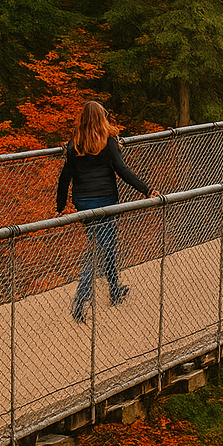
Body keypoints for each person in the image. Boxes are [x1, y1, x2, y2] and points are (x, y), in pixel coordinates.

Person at [56, 101, 156, 323]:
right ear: (102, 118)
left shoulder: (75, 145)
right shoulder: (108, 143)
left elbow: (65, 178)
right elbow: (122, 170)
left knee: (105, 245)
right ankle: (82, 298)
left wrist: (61, 206)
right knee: (100, 249)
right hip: (106, 202)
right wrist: (147, 190)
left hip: (83, 203)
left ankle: (114, 289)